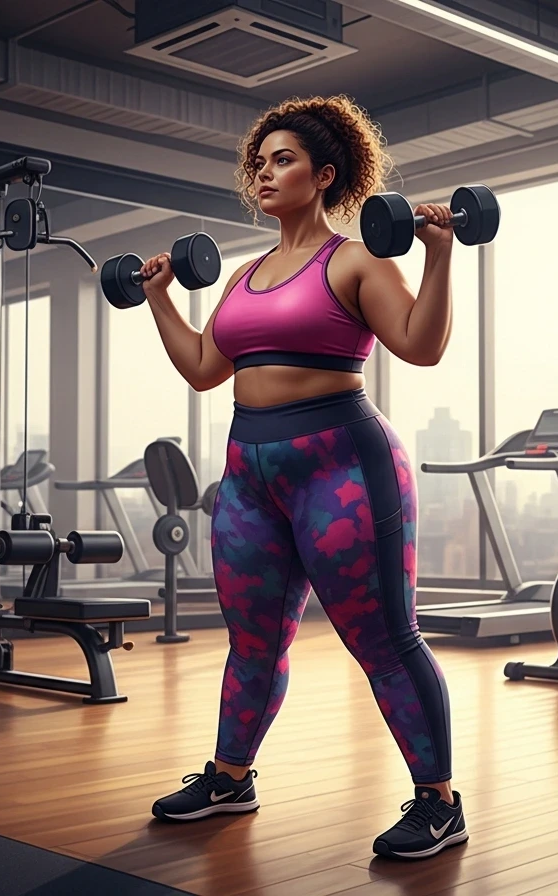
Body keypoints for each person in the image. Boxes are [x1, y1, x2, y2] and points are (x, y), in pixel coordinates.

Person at [138, 95, 465, 861]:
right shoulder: (244, 275)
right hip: (249, 472)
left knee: (385, 640)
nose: (264, 172)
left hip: (343, 466)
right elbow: (203, 369)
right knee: (252, 641)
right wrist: (159, 301)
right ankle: (229, 778)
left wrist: (442, 256)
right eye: (259, 161)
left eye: (282, 160)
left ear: (323, 175)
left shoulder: (355, 258)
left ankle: (439, 803)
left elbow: (421, 345)